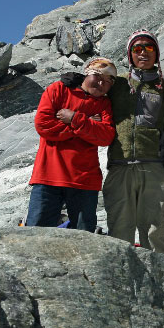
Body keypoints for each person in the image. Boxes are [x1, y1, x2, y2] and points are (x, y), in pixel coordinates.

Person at [103, 29, 164, 253]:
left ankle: (159, 286)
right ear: (130, 55)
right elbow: (92, 85)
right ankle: (122, 285)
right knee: (119, 232)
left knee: (155, 234)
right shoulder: (117, 86)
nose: (143, 53)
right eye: (137, 49)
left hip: (155, 169)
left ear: (157, 53)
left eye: (149, 48)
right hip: (120, 168)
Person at [26, 58, 117, 232]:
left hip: (84, 180)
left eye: (107, 82)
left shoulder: (104, 104)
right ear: (87, 73)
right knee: (36, 236)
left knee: (84, 239)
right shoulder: (58, 89)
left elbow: (105, 137)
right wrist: (87, 125)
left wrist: (74, 119)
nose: (100, 83)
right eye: (97, 76)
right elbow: (43, 126)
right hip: (49, 176)